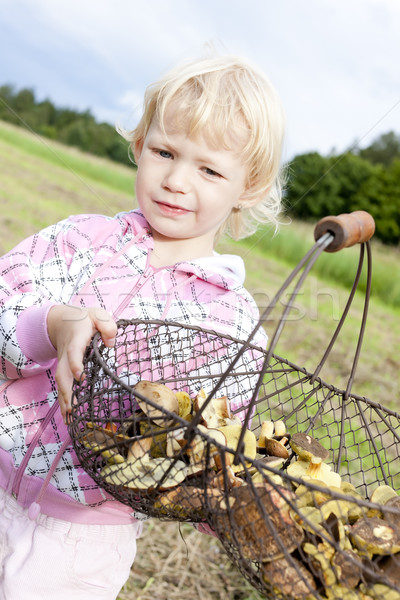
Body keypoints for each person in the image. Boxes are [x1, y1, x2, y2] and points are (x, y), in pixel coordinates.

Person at [0, 53, 285, 599]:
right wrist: (54, 325)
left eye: (209, 169)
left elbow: (206, 459)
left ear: (248, 186)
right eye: (164, 151)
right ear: (139, 145)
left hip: (81, 547)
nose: (176, 180)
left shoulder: (232, 324)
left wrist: (240, 497)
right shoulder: (78, 241)